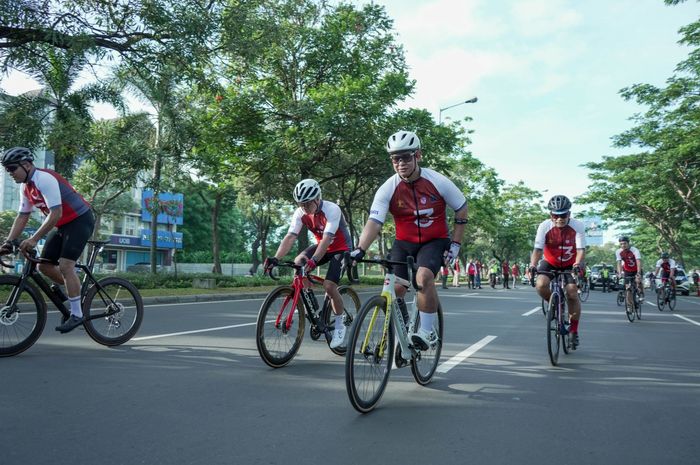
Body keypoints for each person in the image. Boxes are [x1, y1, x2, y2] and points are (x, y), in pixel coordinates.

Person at [350, 130, 468, 350]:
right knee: (395, 289)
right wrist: (360, 249)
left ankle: (427, 332)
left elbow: (461, 209)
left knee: (423, 279)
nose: (401, 163)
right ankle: (403, 327)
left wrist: (456, 245)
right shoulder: (388, 188)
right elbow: (374, 222)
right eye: (396, 159)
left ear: (418, 155)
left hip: (434, 241)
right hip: (404, 243)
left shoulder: (437, 181)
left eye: (406, 157)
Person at [0, 147, 95, 333]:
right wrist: (8, 242)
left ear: (27, 165)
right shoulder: (26, 188)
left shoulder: (44, 179)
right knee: (43, 266)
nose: (9, 173)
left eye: (12, 168)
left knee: (66, 265)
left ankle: (77, 314)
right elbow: (22, 216)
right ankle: (75, 292)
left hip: (80, 219)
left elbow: (56, 213)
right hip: (63, 224)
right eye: (6, 169)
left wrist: (34, 239)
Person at [263, 179, 352, 349]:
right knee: (298, 263)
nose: (304, 207)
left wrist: (314, 261)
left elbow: (327, 239)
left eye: (307, 204)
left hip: (341, 248)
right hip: (322, 246)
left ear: (317, 199)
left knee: (329, 286)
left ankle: (340, 326)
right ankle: (311, 303)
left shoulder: (332, 209)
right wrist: (275, 258)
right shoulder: (300, 213)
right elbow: (290, 237)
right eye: (300, 204)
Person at [529, 194, 586, 349]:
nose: (560, 219)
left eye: (563, 215)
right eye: (556, 215)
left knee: (572, 292)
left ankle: (573, 331)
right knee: (540, 285)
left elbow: (581, 249)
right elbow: (538, 249)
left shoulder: (578, 225)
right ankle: (556, 303)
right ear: (551, 215)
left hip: (570, 263)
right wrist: (533, 265)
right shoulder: (544, 226)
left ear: (569, 214)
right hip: (550, 262)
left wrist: (577, 264)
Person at [615, 236, 644, 310]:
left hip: (636, 269)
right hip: (627, 271)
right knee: (628, 288)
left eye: (624, 243)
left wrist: (638, 273)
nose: (623, 245)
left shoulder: (634, 250)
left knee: (638, 282)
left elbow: (638, 261)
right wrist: (619, 273)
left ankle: (641, 294)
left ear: (628, 243)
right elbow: (619, 263)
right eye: (621, 244)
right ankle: (630, 305)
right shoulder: (618, 251)